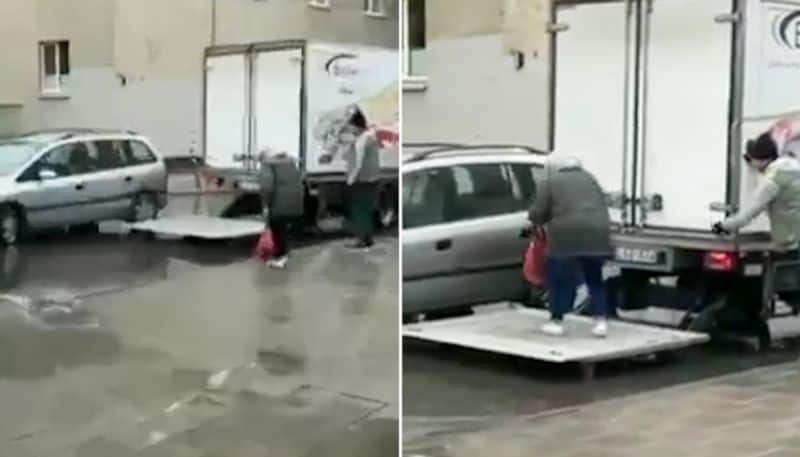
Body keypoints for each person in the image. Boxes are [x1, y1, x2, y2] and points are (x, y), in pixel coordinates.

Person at [529, 156, 613, 337]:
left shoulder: (550, 182)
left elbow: (539, 212)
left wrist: (536, 220)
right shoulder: (590, 179)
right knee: (594, 278)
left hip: (566, 236)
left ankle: (557, 321)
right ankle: (601, 322)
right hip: (598, 233)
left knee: (559, 279)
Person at [258, 149, 304, 269]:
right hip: (294, 201)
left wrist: (266, 204)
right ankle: (283, 254)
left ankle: (280, 257)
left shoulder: (268, 165)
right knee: (283, 229)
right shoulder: (289, 163)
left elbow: (267, 187)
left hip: (279, 203)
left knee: (277, 230)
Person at [344, 107, 381, 249]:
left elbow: (358, 161)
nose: (350, 129)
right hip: (372, 178)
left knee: (359, 210)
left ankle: (361, 238)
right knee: (366, 210)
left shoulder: (362, 139)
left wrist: (351, 179)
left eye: (351, 126)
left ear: (356, 125)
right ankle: (368, 237)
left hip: (362, 180)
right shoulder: (369, 136)